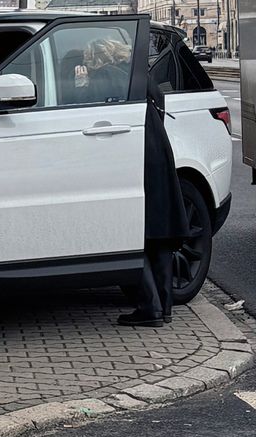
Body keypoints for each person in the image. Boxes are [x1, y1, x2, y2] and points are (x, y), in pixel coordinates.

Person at [119, 83, 189, 328]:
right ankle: (164, 307)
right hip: (158, 151)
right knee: (159, 232)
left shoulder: (116, 81)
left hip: (136, 156)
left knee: (132, 230)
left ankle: (150, 307)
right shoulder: (144, 79)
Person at [73, 36, 132, 103]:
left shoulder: (103, 74)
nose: (85, 60)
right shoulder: (129, 69)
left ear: (93, 56)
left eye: (87, 55)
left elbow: (89, 105)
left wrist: (81, 83)